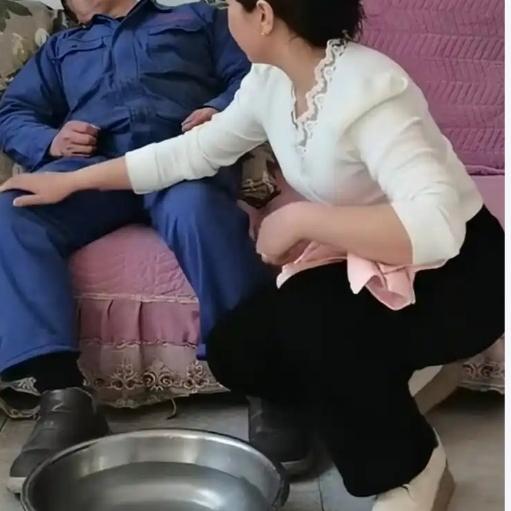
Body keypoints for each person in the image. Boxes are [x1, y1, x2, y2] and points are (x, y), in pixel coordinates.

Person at [0, 0, 504, 509]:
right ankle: (399, 377)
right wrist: (72, 182)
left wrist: (300, 220)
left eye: (232, 6)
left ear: (262, 15)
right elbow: (189, 153)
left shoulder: (371, 89)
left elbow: (436, 227)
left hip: (455, 274)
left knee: (320, 331)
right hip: (369, 260)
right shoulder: (270, 82)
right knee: (240, 350)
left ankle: (414, 468)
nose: (222, 14)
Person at [0, 0, 316, 494]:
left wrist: (220, 110)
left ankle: (266, 383)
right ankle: (62, 396)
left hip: (184, 162)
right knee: (12, 211)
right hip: (92, 173)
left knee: (198, 212)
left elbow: (256, 74)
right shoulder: (61, 48)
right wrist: (50, 140)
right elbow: (14, 111)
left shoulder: (197, 18)